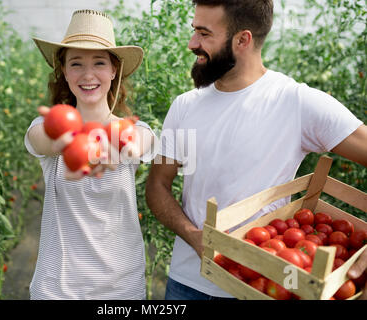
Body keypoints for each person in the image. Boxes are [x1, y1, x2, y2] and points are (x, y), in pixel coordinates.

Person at [145, 0, 367, 300]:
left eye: (204, 33)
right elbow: (157, 186)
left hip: (261, 287)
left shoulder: (296, 102)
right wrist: (193, 236)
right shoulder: (185, 105)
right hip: (187, 285)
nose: (191, 43)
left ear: (242, 40)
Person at [25, 9, 156, 299]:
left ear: (114, 70)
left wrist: (124, 144)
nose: (87, 75)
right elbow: (41, 139)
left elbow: (143, 140)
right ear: (64, 71)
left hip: (121, 289)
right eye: (76, 64)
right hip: (56, 288)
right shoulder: (46, 127)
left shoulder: (133, 129)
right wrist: (70, 142)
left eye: (99, 62)